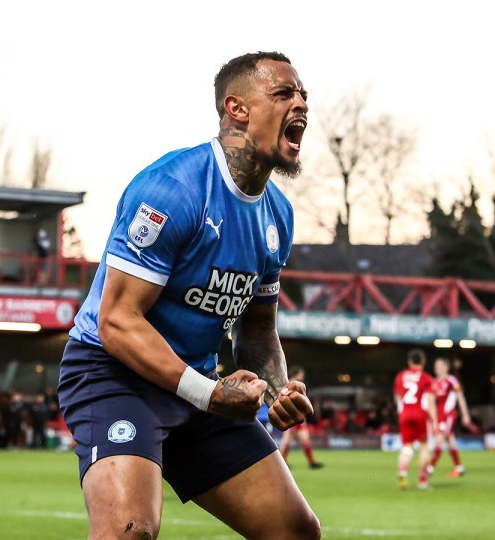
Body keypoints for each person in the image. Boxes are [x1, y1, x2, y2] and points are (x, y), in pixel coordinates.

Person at [57, 51, 321, 539]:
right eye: (284, 94)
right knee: (129, 531)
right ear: (236, 108)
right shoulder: (173, 189)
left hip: (198, 385)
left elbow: (258, 332)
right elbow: (117, 321)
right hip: (115, 375)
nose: (301, 104)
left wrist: (279, 392)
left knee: (295, 531)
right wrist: (213, 394)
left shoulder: (277, 216)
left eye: (304, 95)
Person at [393, 349, 438, 490]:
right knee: (424, 447)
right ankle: (422, 481)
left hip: (404, 414)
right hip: (420, 414)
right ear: (423, 361)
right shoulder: (426, 378)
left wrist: (401, 411)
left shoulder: (400, 376)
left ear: (409, 361)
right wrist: (435, 420)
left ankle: (402, 470)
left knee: (407, 446)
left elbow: (397, 397)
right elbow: (430, 400)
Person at [428, 357, 472, 478]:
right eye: (435, 366)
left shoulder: (452, 380)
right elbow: (431, 401)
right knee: (450, 440)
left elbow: (460, 398)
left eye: (439, 365)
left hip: (449, 415)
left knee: (440, 439)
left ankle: (430, 468)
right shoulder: (434, 382)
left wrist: (465, 414)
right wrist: (433, 418)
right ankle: (459, 467)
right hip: (439, 416)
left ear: (446, 367)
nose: (436, 368)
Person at [279, 366, 324, 469]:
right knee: (287, 441)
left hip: (299, 417)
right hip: (292, 417)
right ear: (297, 374)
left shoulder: (297, 385)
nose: (303, 376)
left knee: (304, 439)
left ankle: (311, 462)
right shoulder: (289, 384)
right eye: (301, 374)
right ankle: (282, 464)